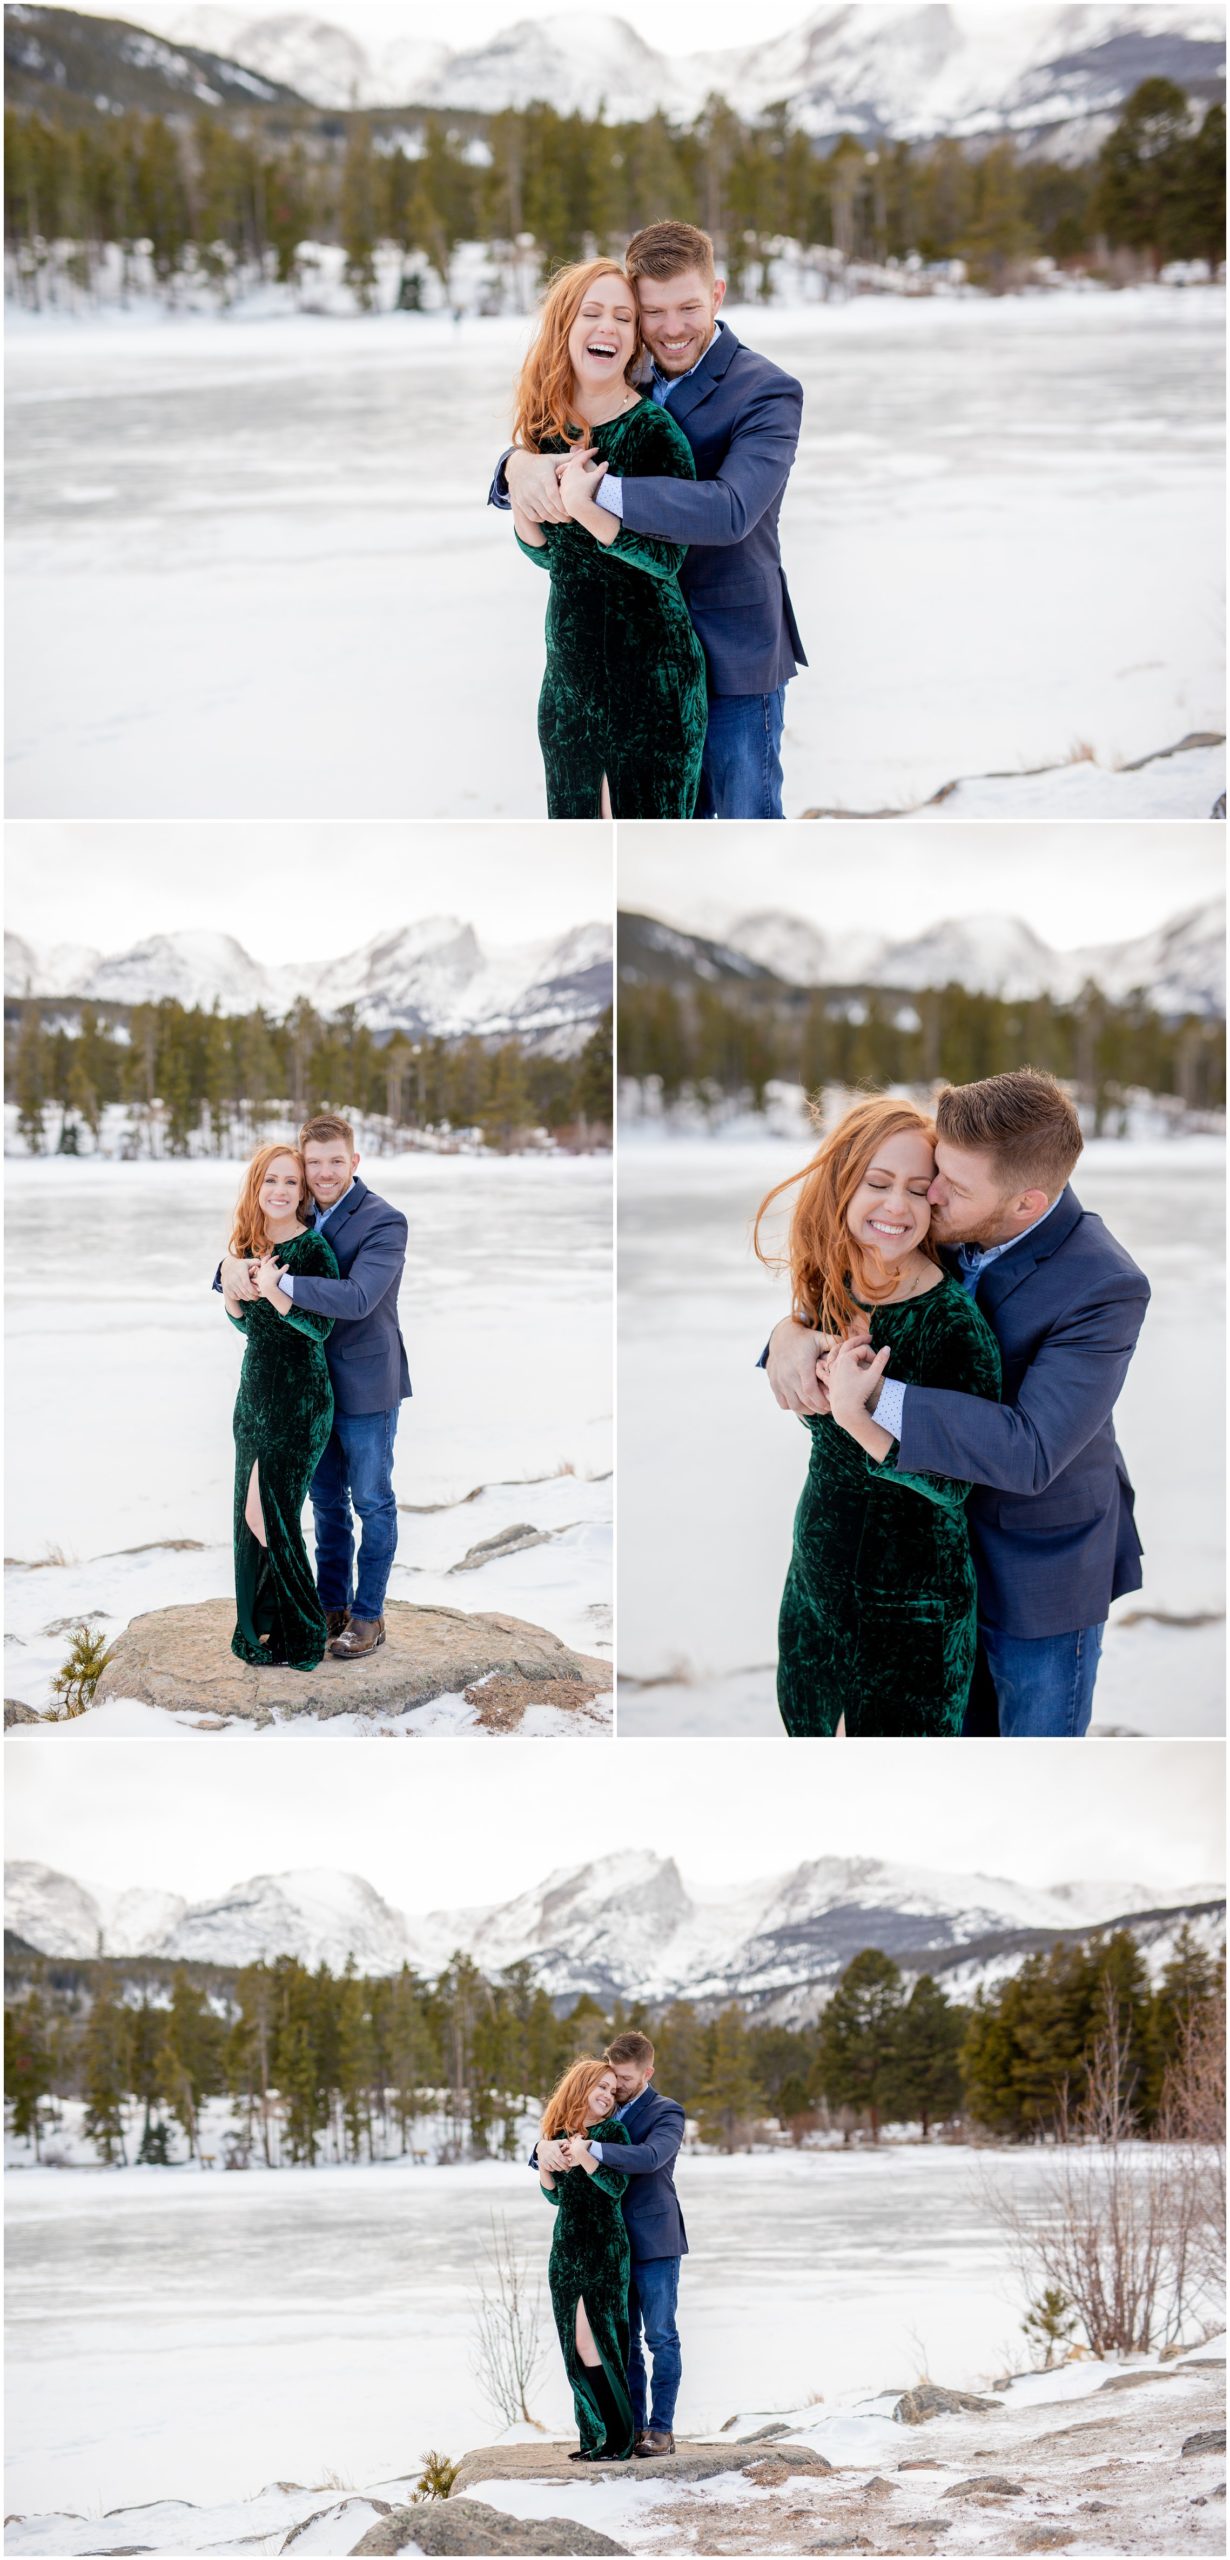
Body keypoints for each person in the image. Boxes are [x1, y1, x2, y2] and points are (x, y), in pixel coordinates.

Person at [764, 1071, 1150, 1738]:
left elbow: (1031, 1451)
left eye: (947, 1186)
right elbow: (867, 1290)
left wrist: (869, 1395)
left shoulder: (1104, 1285)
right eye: (933, 1172)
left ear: (1025, 1204)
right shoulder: (945, 1211)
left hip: (1038, 1570)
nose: (928, 1193)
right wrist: (788, 1335)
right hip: (927, 1555)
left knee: (1034, 1753)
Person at [492, 220, 806, 821]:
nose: (671, 327)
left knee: (745, 828)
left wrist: (597, 492)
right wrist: (516, 467)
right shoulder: (627, 369)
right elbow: (565, 425)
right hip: (629, 660)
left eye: (688, 307)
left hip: (733, 652)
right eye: (652, 311)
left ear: (715, 294)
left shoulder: (766, 391)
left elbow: (731, 509)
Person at [755, 1097, 1002, 1737]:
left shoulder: (953, 1324)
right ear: (841, 1184)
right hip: (817, 1584)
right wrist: (787, 1333)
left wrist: (855, 1413)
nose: (898, 1207)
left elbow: (957, 1483)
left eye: (919, 1192)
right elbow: (796, 1390)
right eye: (879, 1183)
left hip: (912, 1614)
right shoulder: (828, 1283)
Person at [504, 256, 707, 818]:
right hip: (569, 686)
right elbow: (554, 558)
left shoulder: (653, 431)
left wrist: (586, 509)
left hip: (655, 685)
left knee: (649, 855)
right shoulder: (546, 429)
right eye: (592, 313)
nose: (608, 328)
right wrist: (526, 513)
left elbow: (669, 557)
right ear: (564, 327)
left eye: (622, 317)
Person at [216, 1113, 411, 1662]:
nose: (324, 1174)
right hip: (301, 1385)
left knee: (372, 1500)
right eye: (314, 1164)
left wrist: (277, 1284)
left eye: (335, 1162)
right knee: (325, 1502)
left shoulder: (384, 1221)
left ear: (355, 1162)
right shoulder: (300, 1210)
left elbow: (354, 1299)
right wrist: (229, 1268)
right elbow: (259, 1240)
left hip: (366, 1382)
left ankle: (368, 1616)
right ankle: (330, 1604)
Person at [535, 2029, 687, 2456]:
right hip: (604, 2247)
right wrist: (542, 2150)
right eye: (611, 2077)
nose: (616, 2085)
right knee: (622, 2342)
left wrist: (590, 2150)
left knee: (661, 2337)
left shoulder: (666, 2112)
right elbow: (560, 2145)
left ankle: (661, 2429)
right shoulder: (603, 2107)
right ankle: (629, 2426)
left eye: (623, 2078)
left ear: (646, 2072)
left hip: (654, 2241)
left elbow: (650, 2158)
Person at [222, 1143, 338, 1671]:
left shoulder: (314, 1251)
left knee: (272, 1515)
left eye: (291, 1182)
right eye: (271, 1180)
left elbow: (320, 1329)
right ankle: (262, 1625)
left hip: (300, 1402)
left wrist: (275, 1290)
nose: (279, 1191)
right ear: (257, 1185)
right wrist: (233, 1294)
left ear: (303, 1192)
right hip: (253, 1399)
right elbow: (249, 1328)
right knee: (249, 1519)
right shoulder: (245, 1244)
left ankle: (304, 1629)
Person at [537, 2059, 635, 2462]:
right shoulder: (556, 2135)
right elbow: (556, 2196)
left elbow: (617, 2186)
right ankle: (593, 2436)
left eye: (613, 2091)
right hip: (565, 2252)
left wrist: (587, 2155)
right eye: (602, 2086)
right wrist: (545, 2166)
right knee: (574, 2347)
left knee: (597, 2342)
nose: (608, 2096)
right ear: (581, 2085)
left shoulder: (614, 2132)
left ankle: (618, 2437)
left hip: (604, 2249)